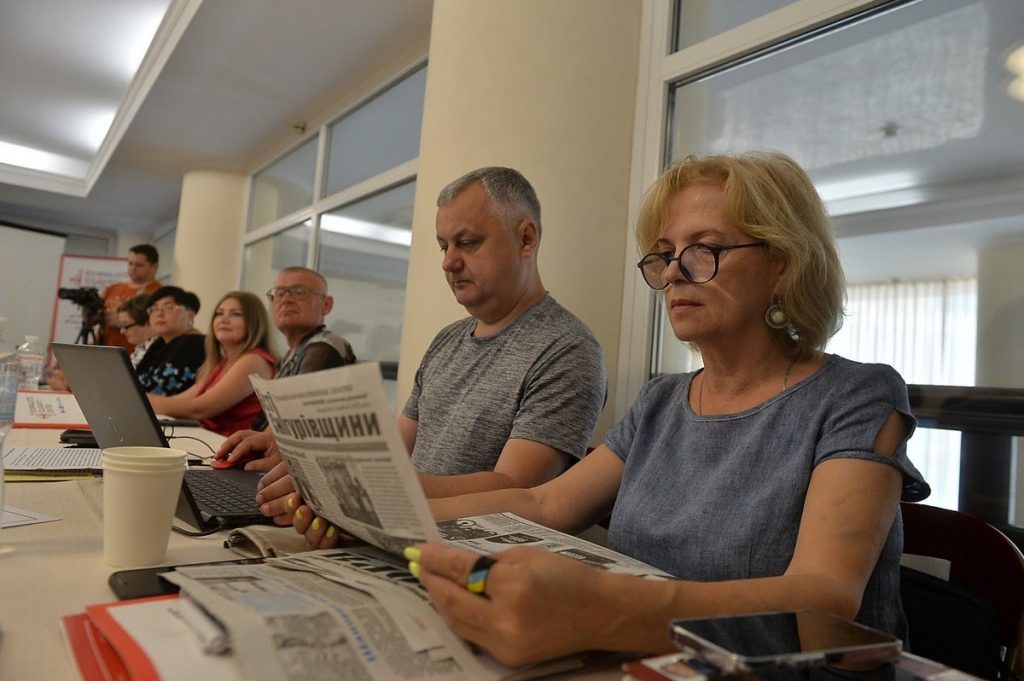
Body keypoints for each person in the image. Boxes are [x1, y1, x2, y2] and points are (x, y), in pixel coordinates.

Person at [395, 152, 931, 668]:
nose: (673, 272)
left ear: (782, 262)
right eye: (665, 253)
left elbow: (826, 595)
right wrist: (387, 515)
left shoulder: (857, 394)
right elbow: (543, 503)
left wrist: (604, 611)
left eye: (704, 249)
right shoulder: (661, 400)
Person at [256, 166, 607, 536]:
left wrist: (367, 486)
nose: (448, 262)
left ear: (526, 239)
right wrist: (307, 454)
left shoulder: (567, 349)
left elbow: (517, 488)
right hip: (396, 529)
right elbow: (394, 449)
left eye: (468, 243)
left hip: (471, 554)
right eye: (444, 245)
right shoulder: (446, 340)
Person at [214, 266, 356, 469]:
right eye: (279, 293)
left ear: (326, 304)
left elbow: (294, 420)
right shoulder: (291, 354)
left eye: (298, 292)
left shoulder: (325, 347)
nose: (286, 299)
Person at [148, 291, 276, 436]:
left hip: (233, 450)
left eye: (236, 314)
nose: (224, 320)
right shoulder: (221, 363)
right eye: (219, 313)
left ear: (254, 322)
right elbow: (178, 401)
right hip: (211, 443)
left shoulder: (254, 360)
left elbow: (197, 409)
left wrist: (139, 400)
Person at [136, 286, 205, 396]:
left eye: (169, 307)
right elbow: (134, 379)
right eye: (154, 308)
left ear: (190, 315)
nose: (159, 313)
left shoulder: (194, 343)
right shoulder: (159, 343)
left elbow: (161, 389)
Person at [101, 244, 161, 351]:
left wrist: (123, 322)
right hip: (105, 351)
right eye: (130, 263)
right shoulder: (112, 288)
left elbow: (159, 328)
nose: (133, 268)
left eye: (139, 265)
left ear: (154, 266)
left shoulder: (160, 294)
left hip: (136, 356)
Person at [116, 294, 157, 367]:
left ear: (147, 323)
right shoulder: (141, 348)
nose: (122, 331)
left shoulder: (160, 352)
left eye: (125, 325)